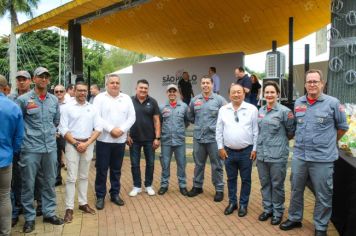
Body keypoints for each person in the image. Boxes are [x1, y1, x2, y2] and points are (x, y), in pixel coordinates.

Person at [280, 69, 349, 236]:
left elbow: (342, 128)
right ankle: (295, 218)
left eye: (315, 81)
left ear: (322, 84)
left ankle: (321, 226)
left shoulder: (333, 103)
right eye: (309, 81)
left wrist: (329, 142)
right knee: (296, 189)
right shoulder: (299, 103)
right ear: (305, 84)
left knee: (323, 193)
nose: (312, 84)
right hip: (300, 156)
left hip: (322, 158)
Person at [17, 67, 64, 233]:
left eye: (46, 77)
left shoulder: (53, 100)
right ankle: (29, 218)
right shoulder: (23, 100)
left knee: (49, 182)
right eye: (40, 77)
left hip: (49, 148)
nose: (44, 79)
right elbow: (18, 122)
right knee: (28, 184)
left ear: (48, 80)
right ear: (34, 79)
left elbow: (56, 121)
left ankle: (49, 213)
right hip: (30, 148)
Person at [59, 82, 102, 223]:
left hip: (88, 144)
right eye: (80, 90)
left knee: (84, 176)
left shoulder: (93, 108)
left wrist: (87, 143)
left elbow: (98, 128)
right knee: (71, 178)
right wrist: (77, 143)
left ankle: (83, 204)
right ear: (74, 91)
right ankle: (69, 208)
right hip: (72, 144)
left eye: (85, 91)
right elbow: (63, 129)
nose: (83, 93)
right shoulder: (66, 108)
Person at [93, 74, 135, 209]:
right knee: (101, 169)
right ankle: (100, 196)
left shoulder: (126, 98)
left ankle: (115, 194)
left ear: (120, 84)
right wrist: (111, 129)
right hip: (103, 140)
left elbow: (132, 117)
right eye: (112, 83)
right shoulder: (99, 98)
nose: (115, 85)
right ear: (107, 85)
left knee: (116, 170)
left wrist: (121, 130)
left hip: (120, 141)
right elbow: (96, 117)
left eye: (117, 83)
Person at [256, 81, 295, 225]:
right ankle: (268, 209)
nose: (269, 95)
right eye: (267, 92)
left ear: (278, 94)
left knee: (277, 185)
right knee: (265, 183)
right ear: (263, 94)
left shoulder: (285, 112)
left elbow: (291, 132)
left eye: (272, 92)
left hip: (277, 155)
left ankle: (278, 212)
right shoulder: (261, 111)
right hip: (262, 155)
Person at [216, 83, 258, 217]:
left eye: (239, 92)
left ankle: (243, 204)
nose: (236, 94)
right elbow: (219, 130)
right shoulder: (223, 109)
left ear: (244, 94)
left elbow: (256, 131)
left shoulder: (252, 109)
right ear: (229, 95)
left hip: (247, 151)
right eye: (233, 92)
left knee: (246, 180)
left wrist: (255, 149)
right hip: (228, 152)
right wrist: (220, 147)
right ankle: (232, 203)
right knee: (231, 179)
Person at [187, 75, 227, 202]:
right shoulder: (195, 100)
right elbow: (190, 116)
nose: (205, 85)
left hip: (214, 139)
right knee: (198, 164)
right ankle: (197, 186)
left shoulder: (220, 100)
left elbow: (226, 116)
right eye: (203, 83)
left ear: (212, 85)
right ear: (200, 85)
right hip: (199, 138)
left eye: (207, 83)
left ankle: (219, 189)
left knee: (217, 165)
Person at [127, 79, 160, 196]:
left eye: (145, 88)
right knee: (134, 163)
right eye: (141, 88)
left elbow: (156, 120)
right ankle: (136, 186)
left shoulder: (153, 102)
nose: (143, 90)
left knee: (150, 163)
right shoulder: (129, 101)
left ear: (148, 89)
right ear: (136, 88)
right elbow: (124, 119)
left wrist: (157, 138)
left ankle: (148, 185)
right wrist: (127, 135)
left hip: (150, 139)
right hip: (133, 139)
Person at [8, 70, 32, 227]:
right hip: (15, 145)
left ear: (30, 81)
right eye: (19, 80)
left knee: (30, 179)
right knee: (15, 179)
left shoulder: (34, 97)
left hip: (31, 145)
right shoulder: (10, 98)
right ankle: (15, 209)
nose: (21, 82)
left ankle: (27, 205)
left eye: (24, 79)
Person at [0, 75, 24, 235]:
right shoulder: (13, 107)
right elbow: (19, 137)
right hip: (5, 159)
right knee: (4, 196)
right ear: (5, 88)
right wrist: (11, 152)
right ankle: (5, 232)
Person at [158, 84, 189, 196]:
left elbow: (187, 121)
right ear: (167, 93)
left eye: (174, 91)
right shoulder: (162, 107)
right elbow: (159, 122)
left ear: (177, 93)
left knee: (181, 164)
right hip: (166, 140)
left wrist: (179, 129)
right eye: (170, 91)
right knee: (165, 163)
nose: (172, 93)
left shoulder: (184, 106)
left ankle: (182, 185)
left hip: (179, 140)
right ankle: (164, 185)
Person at [53, 85, 68, 186]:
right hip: (54, 135)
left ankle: (71, 179)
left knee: (71, 158)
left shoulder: (70, 104)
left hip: (66, 135)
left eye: (61, 91)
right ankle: (57, 179)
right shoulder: (51, 103)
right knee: (56, 159)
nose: (59, 93)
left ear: (65, 92)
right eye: (56, 91)